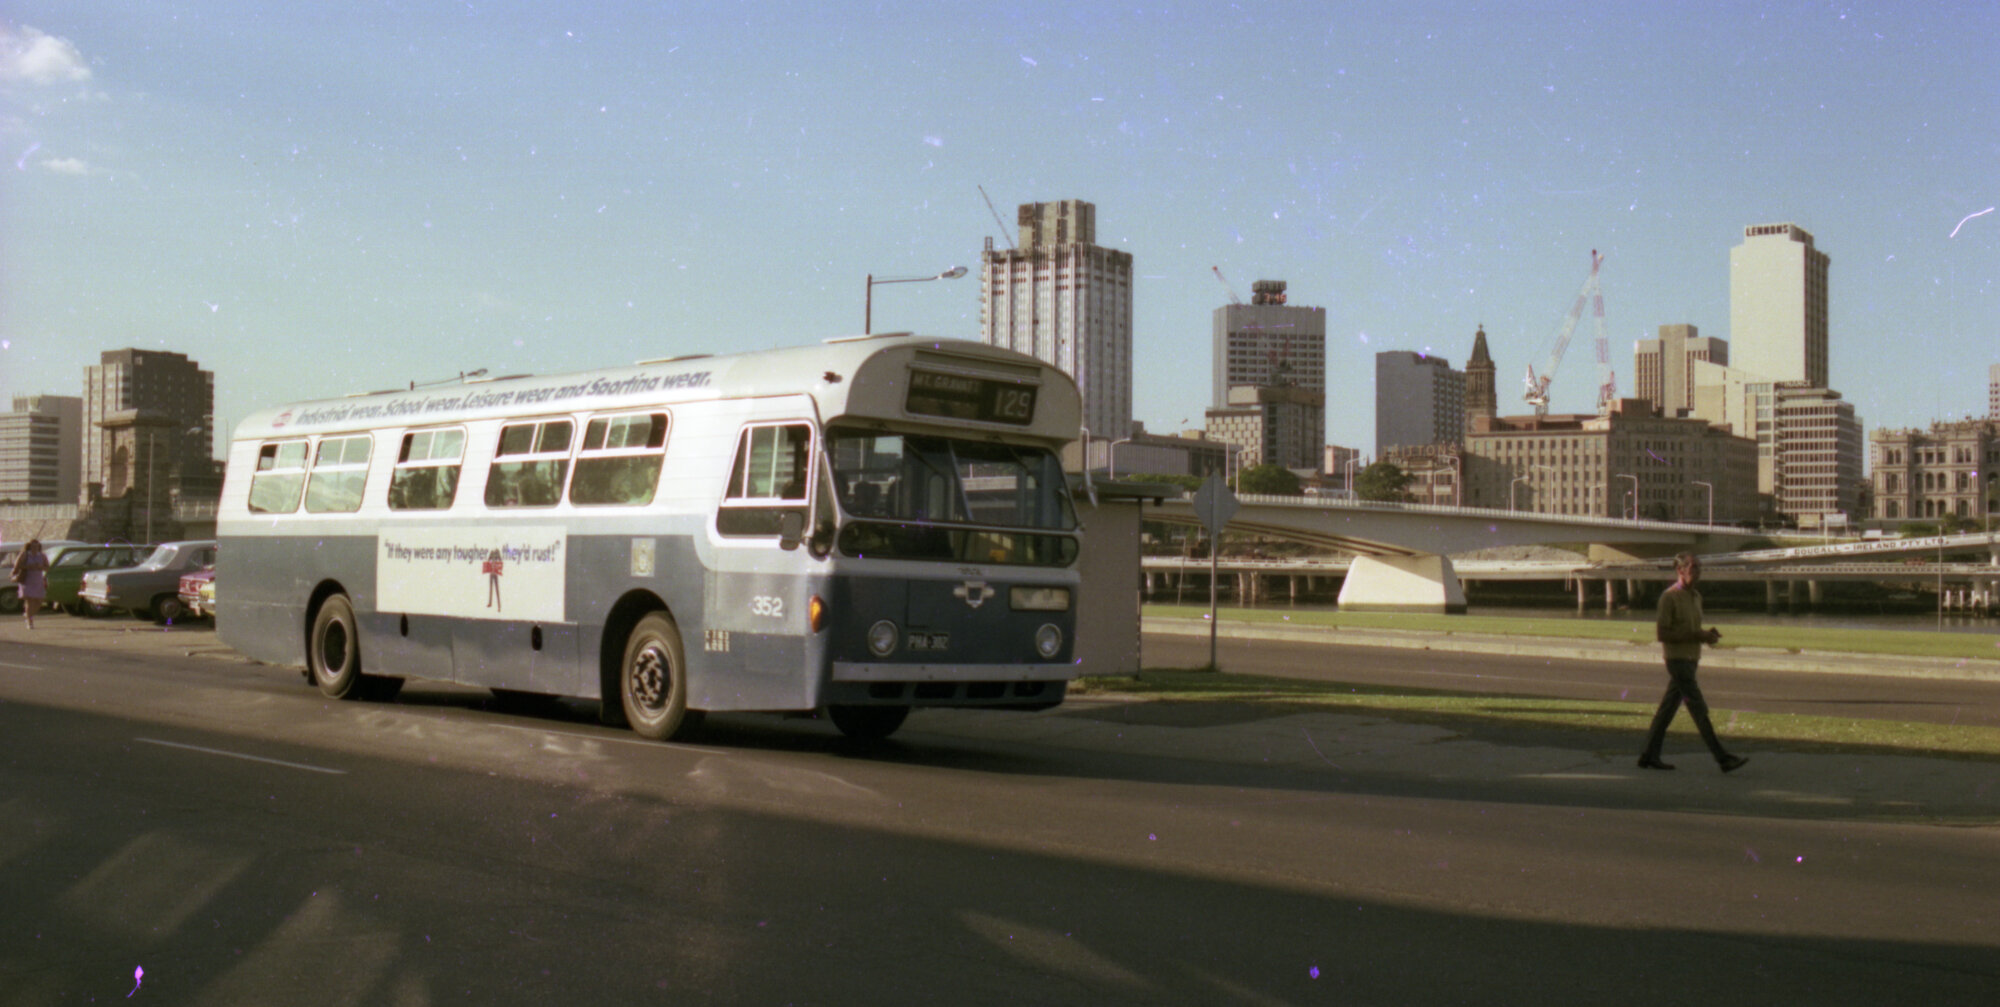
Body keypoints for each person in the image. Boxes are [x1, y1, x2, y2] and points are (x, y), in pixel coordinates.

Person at [1639, 552, 1748, 773]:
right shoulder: (1669, 597)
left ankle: (1649, 755)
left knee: (1667, 709)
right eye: (1693, 568)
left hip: (1691, 660)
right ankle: (1723, 758)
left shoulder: (1696, 597)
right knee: (1698, 708)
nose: (1698, 573)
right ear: (1680, 570)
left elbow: (1691, 630)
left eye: (1699, 568)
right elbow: (1663, 634)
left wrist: (1707, 635)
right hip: (1677, 661)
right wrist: (1697, 636)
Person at [9, 539, 50, 630]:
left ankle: (28, 615)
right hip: (27, 580)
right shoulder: (25, 555)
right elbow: (17, 566)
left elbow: (47, 568)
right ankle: (29, 621)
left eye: (37, 546)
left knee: (39, 601)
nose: (35, 548)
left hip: (38, 580)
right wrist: (29, 567)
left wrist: (40, 567)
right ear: (29, 546)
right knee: (30, 601)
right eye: (33, 546)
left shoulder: (42, 556)